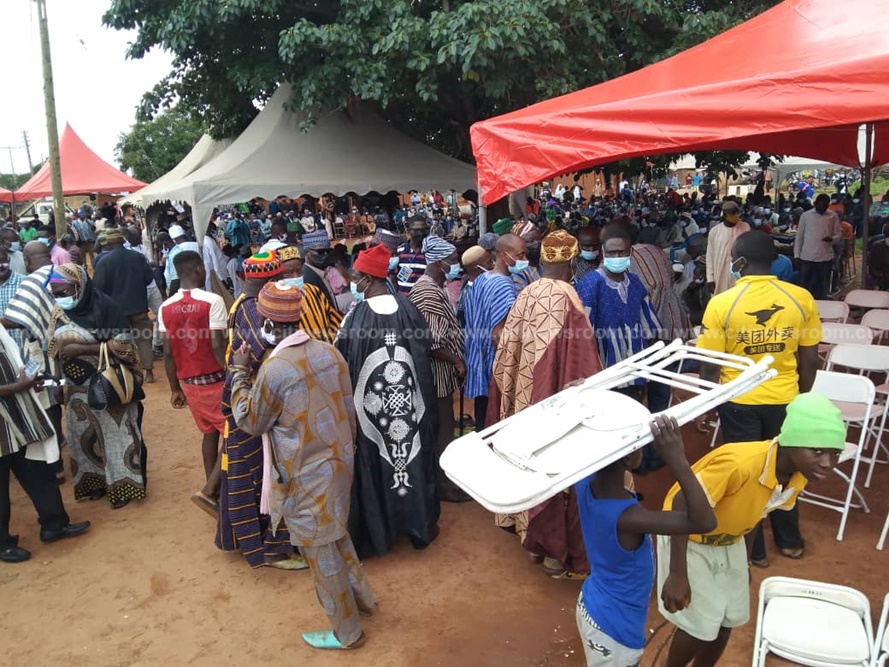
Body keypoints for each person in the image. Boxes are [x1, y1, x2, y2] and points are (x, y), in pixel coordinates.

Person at [230, 277, 378, 649]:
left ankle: (347, 633)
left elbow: (251, 421)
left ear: (268, 323)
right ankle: (362, 600)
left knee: (321, 551)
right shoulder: (330, 352)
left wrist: (238, 373)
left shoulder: (275, 369)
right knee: (336, 535)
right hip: (339, 464)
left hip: (305, 477)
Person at [658, 393, 845, 666]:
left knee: (727, 621)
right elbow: (681, 502)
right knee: (699, 626)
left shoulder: (798, 476)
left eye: (835, 453)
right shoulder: (741, 464)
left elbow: (757, 512)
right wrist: (677, 573)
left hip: (731, 539)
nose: (828, 463)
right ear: (790, 442)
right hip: (689, 538)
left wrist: (743, 561)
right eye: (817, 451)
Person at [696, 230, 821, 568]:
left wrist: (707, 405)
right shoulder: (801, 298)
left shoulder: (721, 303)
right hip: (786, 400)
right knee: (785, 468)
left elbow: (711, 364)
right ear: (774, 260)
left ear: (739, 262)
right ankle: (789, 542)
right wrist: (800, 399)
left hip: (739, 403)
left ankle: (755, 551)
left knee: (748, 473)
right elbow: (810, 360)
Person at [489, 230, 602, 577]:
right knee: (558, 467)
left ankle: (531, 539)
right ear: (572, 262)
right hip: (553, 405)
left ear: (540, 261)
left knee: (528, 462)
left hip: (525, 399)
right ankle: (553, 551)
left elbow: (505, 351)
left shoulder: (527, 292)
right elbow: (582, 365)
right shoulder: (569, 299)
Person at [576, 415, 716, 666]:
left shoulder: (584, 483)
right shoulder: (628, 518)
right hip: (615, 629)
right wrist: (677, 459)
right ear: (628, 458)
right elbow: (704, 521)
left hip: (595, 606)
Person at [335, 244, 439, 558]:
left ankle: (380, 533)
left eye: (356, 276)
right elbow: (425, 348)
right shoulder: (408, 308)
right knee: (413, 458)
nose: (353, 281)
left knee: (376, 462)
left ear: (368, 279)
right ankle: (419, 526)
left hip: (374, 415)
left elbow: (340, 359)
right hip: (410, 410)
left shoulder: (356, 317)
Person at [215, 252, 296, 567]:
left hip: (242, 399)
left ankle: (252, 541)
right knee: (264, 475)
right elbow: (267, 355)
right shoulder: (256, 311)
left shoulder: (239, 303)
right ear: (272, 281)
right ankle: (272, 547)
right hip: (252, 404)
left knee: (247, 473)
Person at [46, 264, 147, 509]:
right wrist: (58, 381)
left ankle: (123, 486)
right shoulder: (58, 311)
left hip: (107, 383)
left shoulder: (105, 307)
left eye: (64, 292)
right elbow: (53, 350)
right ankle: (94, 483)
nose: (60, 298)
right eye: (55, 293)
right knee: (83, 437)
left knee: (116, 435)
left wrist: (83, 349)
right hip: (75, 388)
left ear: (79, 286)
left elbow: (125, 345)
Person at [0, 322, 90, 563]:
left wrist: (29, 382)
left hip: (18, 415)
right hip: (7, 419)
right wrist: (18, 386)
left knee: (37, 470)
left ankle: (54, 524)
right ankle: (3, 544)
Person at [158, 251, 228, 514]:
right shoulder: (212, 301)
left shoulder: (165, 307)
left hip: (188, 382)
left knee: (209, 433)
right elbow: (218, 344)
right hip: (215, 379)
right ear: (199, 269)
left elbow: (167, 352)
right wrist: (233, 374)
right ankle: (211, 490)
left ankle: (213, 489)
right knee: (234, 433)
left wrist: (174, 389)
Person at [408, 236, 468, 503]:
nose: (456, 265)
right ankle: (443, 485)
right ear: (439, 262)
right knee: (443, 428)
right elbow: (431, 341)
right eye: (452, 260)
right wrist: (457, 360)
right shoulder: (429, 293)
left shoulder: (433, 286)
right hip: (437, 373)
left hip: (439, 372)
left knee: (443, 425)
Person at [575, 224, 661, 401]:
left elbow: (649, 326)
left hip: (634, 366)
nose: (617, 257)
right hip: (604, 368)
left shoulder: (635, 282)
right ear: (603, 253)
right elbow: (582, 332)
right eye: (612, 253)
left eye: (621, 252)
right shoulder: (591, 284)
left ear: (630, 252)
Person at [463, 233, 524, 430]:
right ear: (505, 256)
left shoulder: (482, 279)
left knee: (483, 419)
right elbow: (499, 336)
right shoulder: (504, 286)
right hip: (495, 368)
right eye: (520, 255)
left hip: (478, 362)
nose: (524, 260)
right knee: (497, 423)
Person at [92, 228, 157, 383]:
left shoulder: (104, 262)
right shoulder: (137, 257)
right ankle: (149, 372)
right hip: (139, 307)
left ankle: (130, 372)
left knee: (121, 341)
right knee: (144, 339)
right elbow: (149, 279)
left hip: (116, 312)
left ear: (108, 244)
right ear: (123, 241)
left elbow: (98, 288)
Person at [276, 246, 342, 343]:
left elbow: (334, 320)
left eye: (299, 271)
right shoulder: (274, 301)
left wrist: (327, 343)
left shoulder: (313, 291)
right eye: (288, 273)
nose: (296, 276)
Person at [794, 193, 842, 299]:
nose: (823, 208)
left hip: (824, 256)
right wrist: (797, 255)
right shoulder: (806, 216)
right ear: (815, 204)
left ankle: (822, 303)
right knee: (804, 285)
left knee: (823, 285)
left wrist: (832, 239)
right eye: (821, 205)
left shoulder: (833, 216)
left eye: (825, 206)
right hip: (807, 256)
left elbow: (838, 234)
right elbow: (799, 237)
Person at [706, 202, 751, 295]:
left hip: (739, 273)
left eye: (737, 213)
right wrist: (710, 278)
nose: (737, 216)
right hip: (719, 273)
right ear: (726, 215)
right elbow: (710, 256)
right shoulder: (715, 231)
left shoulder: (745, 228)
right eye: (734, 214)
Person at [301, 230, 337, 307]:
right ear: (306, 252)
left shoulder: (319, 272)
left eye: (328, 251)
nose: (325, 255)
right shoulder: (307, 278)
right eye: (320, 252)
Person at [163, 224, 200, 295]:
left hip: (185, 287)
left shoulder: (175, 250)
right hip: (200, 281)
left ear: (173, 240)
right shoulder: (197, 244)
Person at [396, 217, 429, 294]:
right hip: (403, 298)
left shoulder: (430, 252)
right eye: (417, 230)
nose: (421, 233)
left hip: (422, 298)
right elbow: (393, 277)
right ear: (408, 232)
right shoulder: (399, 251)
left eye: (424, 230)